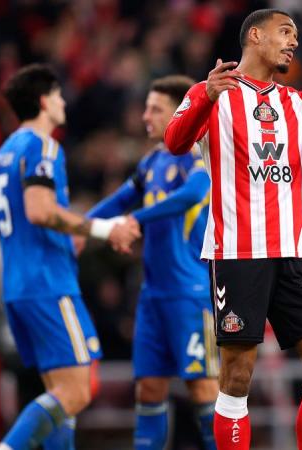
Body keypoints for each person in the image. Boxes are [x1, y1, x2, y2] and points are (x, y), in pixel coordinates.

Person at [164, 8, 302, 449]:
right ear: (255, 35)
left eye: (296, 34)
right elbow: (174, 142)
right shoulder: (213, 93)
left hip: (298, 254)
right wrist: (205, 95)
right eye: (285, 32)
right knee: (237, 375)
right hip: (238, 254)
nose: (294, 42)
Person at [0, 64, 140, 450]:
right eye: (59, 95)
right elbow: (39, 210)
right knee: (80, 389)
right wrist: (103, 229)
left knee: (60, 393)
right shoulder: (42, 146)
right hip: (49, 281)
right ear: (44, 101)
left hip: (18, 286)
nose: (64, 102)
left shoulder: (4, 152)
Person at [86, 75, 219, 450]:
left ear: (180, 113)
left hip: (190, 293)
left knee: (203, 388)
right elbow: (117, 202)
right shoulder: (151, 162)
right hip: (152, 296)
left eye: (155, 109)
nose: (145, 116)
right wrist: (79, 230)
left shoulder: (198, 155)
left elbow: (192, 195)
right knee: (148, 388)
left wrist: (135, 221)